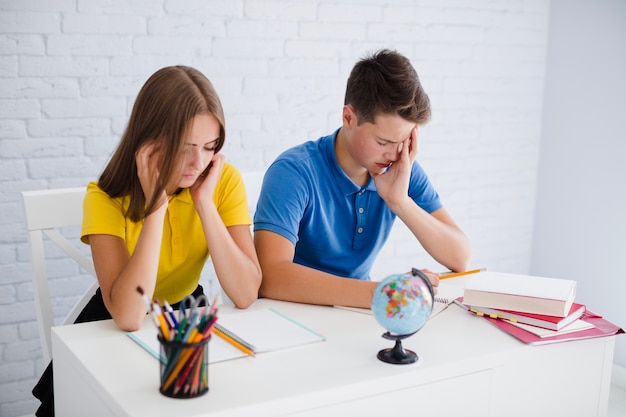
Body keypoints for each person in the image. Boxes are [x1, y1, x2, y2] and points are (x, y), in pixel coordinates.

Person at [32, 65, 262, 416]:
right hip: (112, 325)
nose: (198, 162)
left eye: (209, 147)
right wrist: (156, 205)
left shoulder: (221, 180)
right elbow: (127, 315)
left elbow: (246, 294)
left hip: (185, 316)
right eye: (186, 148)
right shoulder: (105, 197)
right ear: (150, 142)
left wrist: (204, 204)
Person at [253, 49, 471, 309]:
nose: (393, 154)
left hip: (355, 315)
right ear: (348, 118)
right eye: (383, 142)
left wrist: (400, 201)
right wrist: (383, 293)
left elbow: (460, 257)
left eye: (403, 142)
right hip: (292, 315)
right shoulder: (294, 172)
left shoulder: (400, 168)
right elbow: (271, 277)